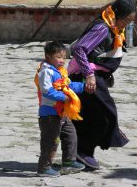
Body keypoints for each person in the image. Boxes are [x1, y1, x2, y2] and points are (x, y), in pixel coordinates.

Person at [68, 0, 137, 170]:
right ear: (118, 15)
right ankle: (82, 151)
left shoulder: (112, 29)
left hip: (95, 77)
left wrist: (105, 74)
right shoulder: (102, 28)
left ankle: (79, 152)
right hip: (85, 78)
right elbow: (79, 49)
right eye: (127, 20)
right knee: (106, 113)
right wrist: (90, 74)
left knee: (90, 114)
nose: (128, 24)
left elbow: (100, 54)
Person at [34, 41, 86, 177]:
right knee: (51, 141)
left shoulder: (61, 72)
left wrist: (83, 86)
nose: (62, 60)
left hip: (63, 113)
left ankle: (69, 161)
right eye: (58, 57)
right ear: (48, 57)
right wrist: (64, 98)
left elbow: (68, 86)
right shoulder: (46, 72)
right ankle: (44, 168)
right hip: (50, 114)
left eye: (64, 57)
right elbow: (47, 91)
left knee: (70, 135)